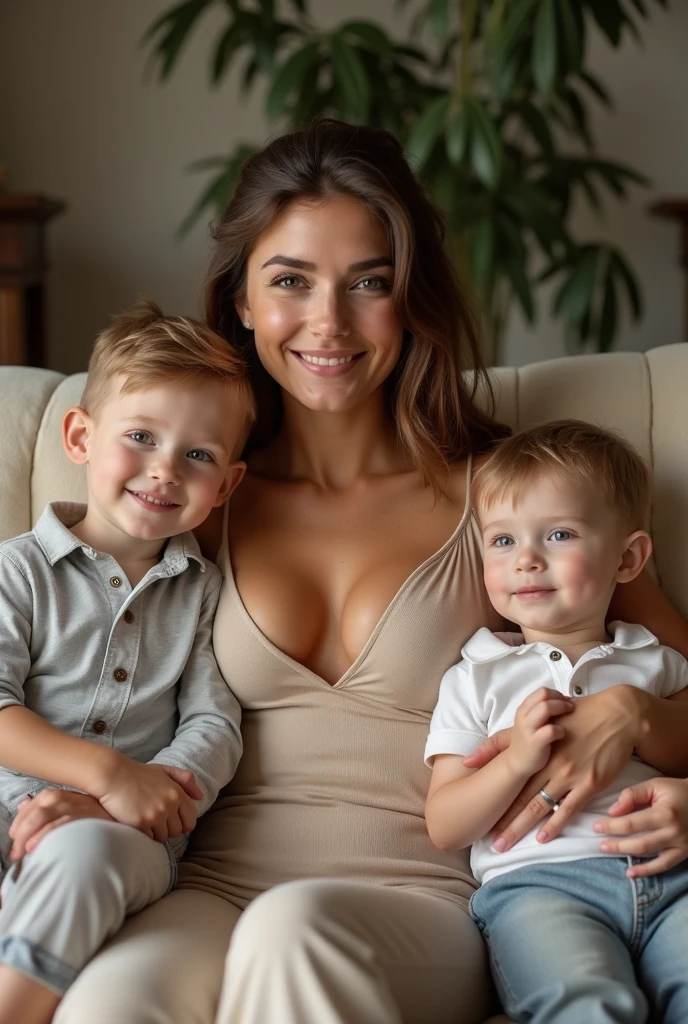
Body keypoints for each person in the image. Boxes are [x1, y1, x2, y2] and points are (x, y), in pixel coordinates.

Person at [50, 120, 688, 1024]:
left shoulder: (511, 501)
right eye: (290, 282)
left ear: (410, 295)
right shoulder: (194, 496)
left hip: (423, 904)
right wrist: (62, 792)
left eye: (370, 283)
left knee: (295, 930)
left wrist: (633, 711)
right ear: (239, 299)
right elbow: (81, 664)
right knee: (109, 1002)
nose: (329, 323)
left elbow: (670, 677)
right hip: (215, 885)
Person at [0, 301, 253, 1024]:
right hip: (9, 804)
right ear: (80, 435)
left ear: (227, 485)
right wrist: (105, 772)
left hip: (129, 837)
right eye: (139, 436)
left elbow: (215, 722)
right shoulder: (18, 572)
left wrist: (124, 800)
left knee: (83, 860)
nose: (164, 470)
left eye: (198, 455)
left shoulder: (205, 591)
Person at [425, 420, 688, 1022]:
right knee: (584, 1002)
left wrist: (644, 718)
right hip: (541, 887)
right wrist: (517, 757)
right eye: (502, 541)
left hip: (673, 876)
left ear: (628, 559)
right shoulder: (477, 674)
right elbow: (445, 825)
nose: (526, 561)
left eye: (559, 534)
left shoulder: (654, 660)